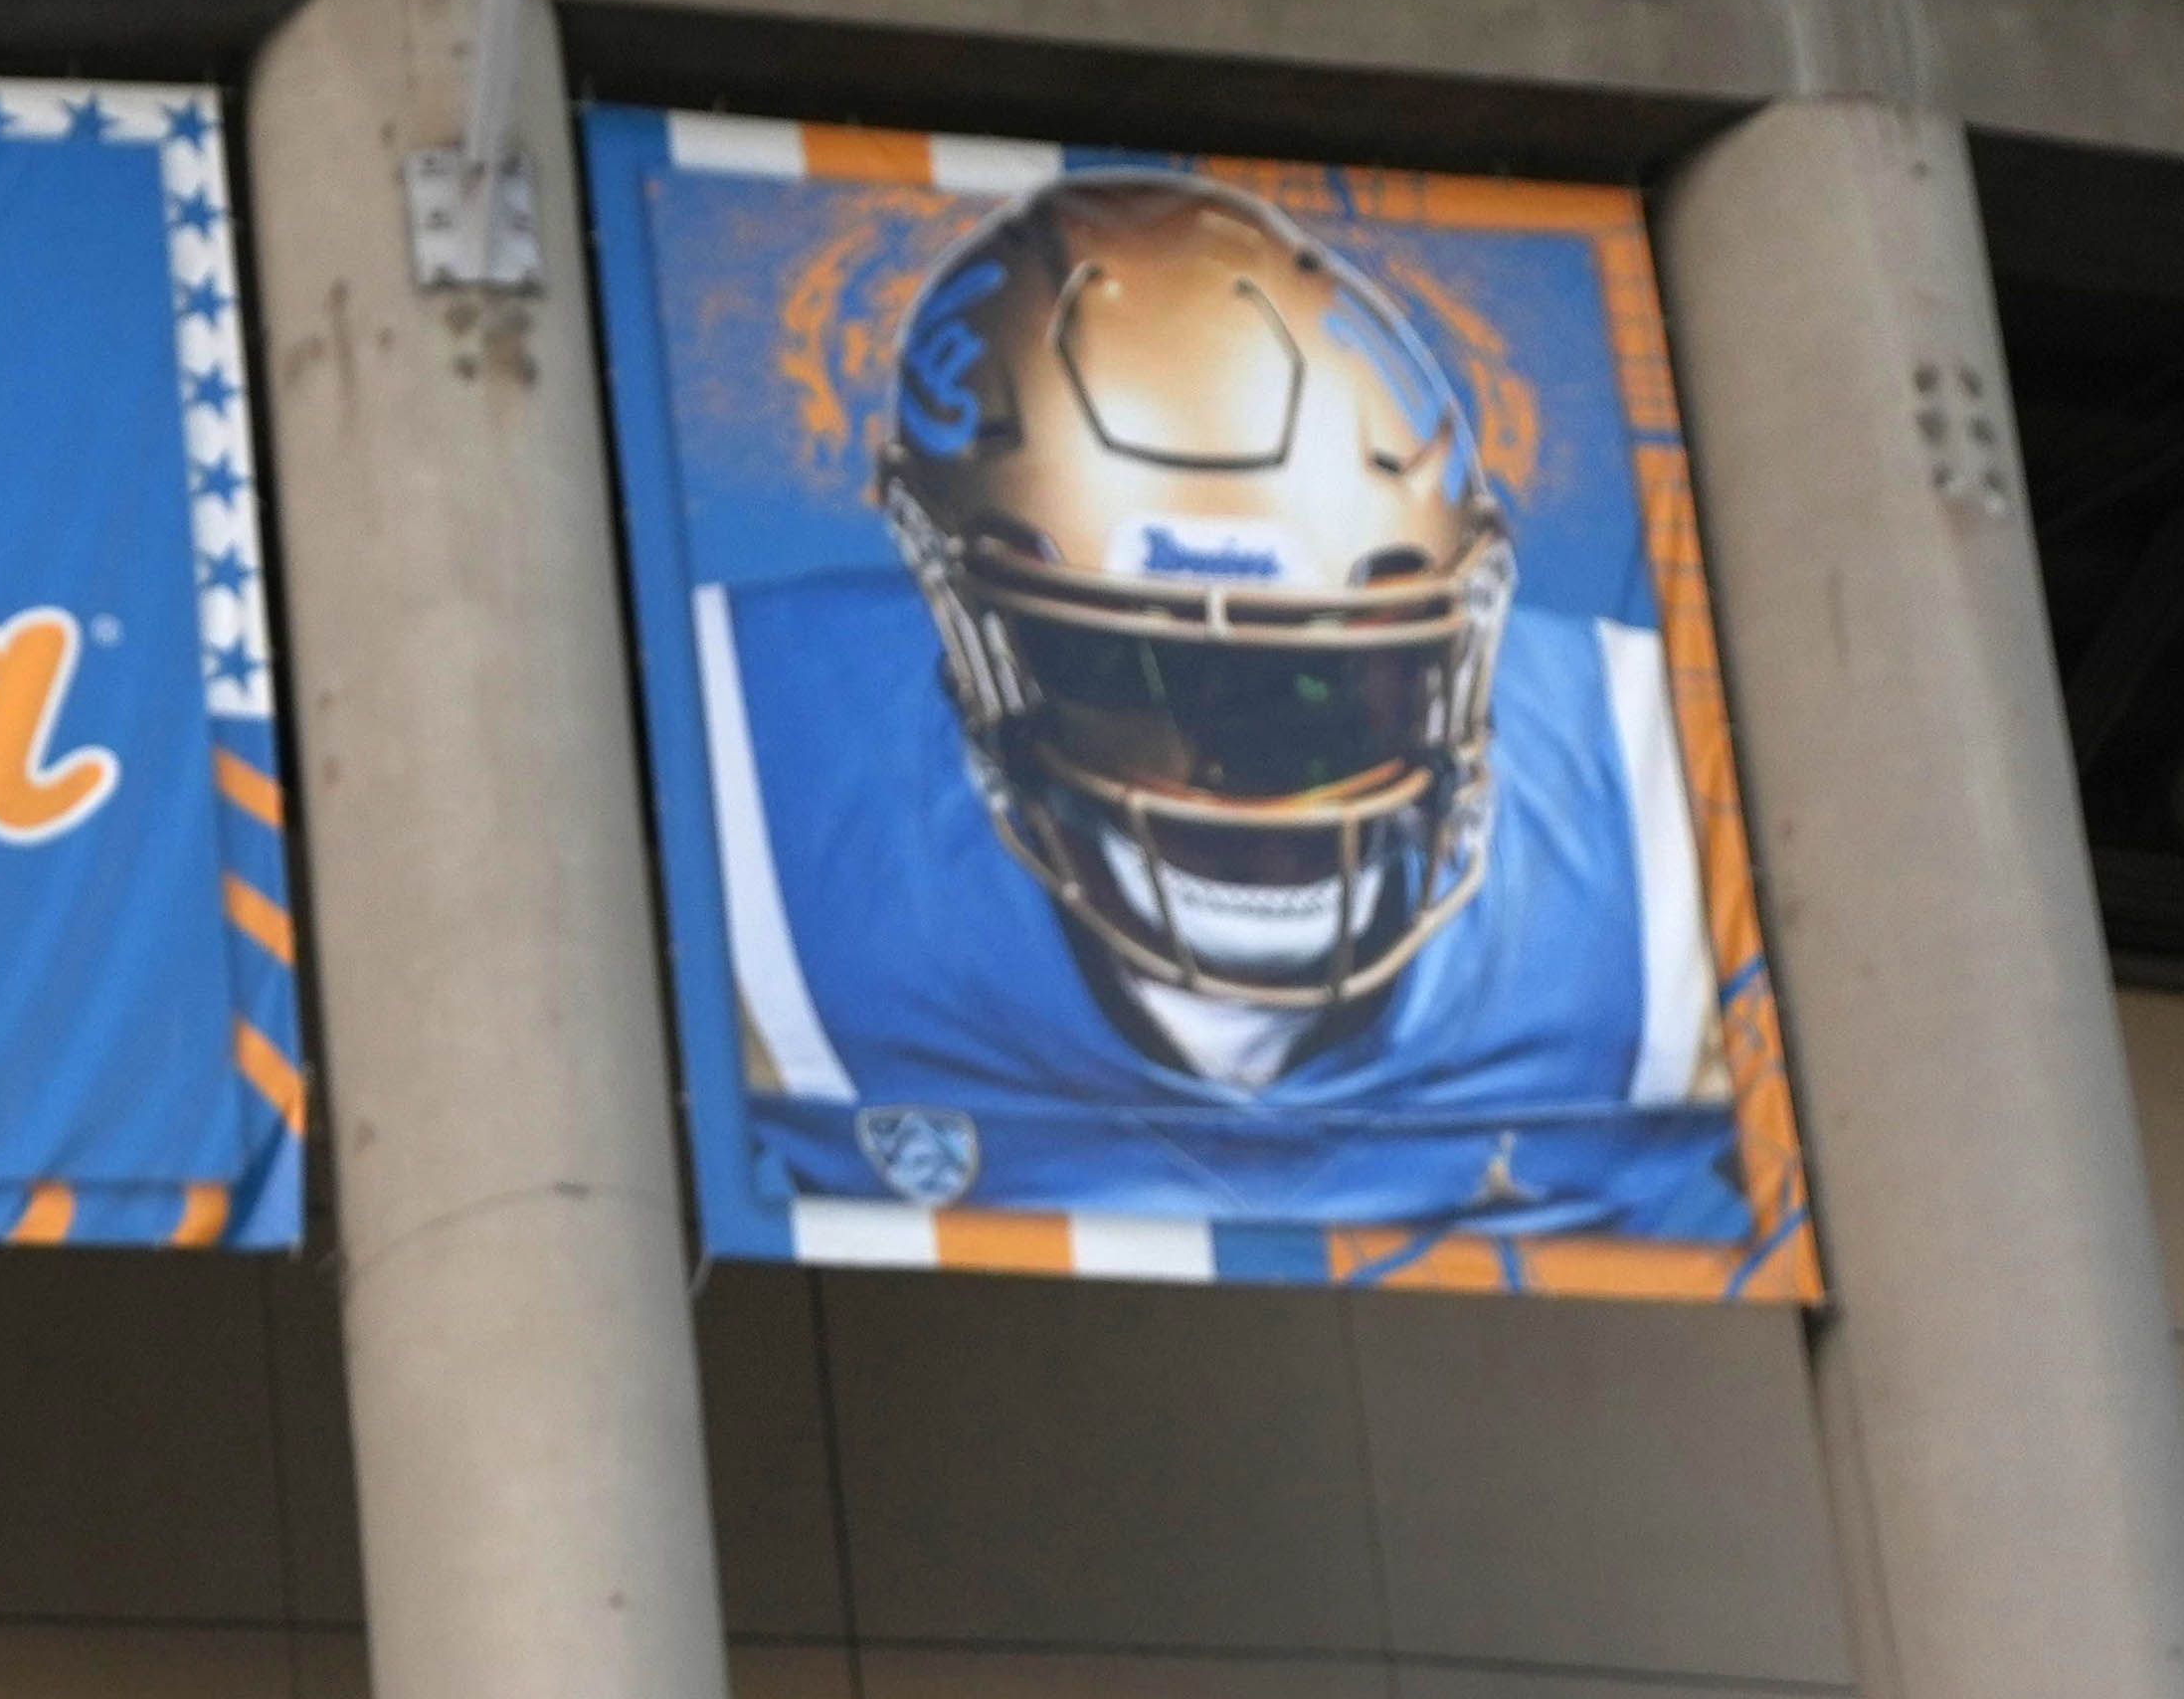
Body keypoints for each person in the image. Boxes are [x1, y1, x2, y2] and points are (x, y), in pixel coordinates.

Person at [678, 168, 1755, 1252]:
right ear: (954, 611)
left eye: (1322, 684)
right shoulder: (749, 764)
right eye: (1133, 673)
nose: (1239, 783)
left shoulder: (1656, 813)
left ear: (1463, 631)